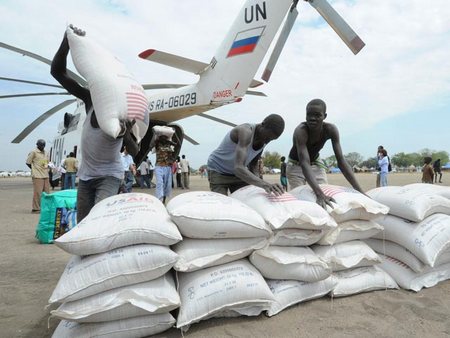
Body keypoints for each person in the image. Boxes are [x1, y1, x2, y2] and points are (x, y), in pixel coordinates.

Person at [51, 25, 138, 222]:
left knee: (99, 220)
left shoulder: (121, 114)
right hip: (86, 177)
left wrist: (125, 133)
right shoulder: (91, 100)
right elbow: (57, 72)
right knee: (83, 222)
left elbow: (135, 151)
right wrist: (66, 42)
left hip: (109, 176)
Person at [286, 99, 364, 208]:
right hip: (296, 166)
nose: (312, 118)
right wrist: (319, 194)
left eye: (317, 115)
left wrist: (360, 191)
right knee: (300, 201)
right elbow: (304, 162)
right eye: (309, 115)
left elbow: (341, 161)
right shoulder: (301, 131)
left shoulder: (330, 130)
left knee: (326, 197)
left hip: (316, 164)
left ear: (325, 116)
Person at [207, 114, 285, 196]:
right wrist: (265, 184)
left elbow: (253, 165)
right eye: (267, 137)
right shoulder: (245, 132)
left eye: (271, 139)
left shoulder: (266, 138)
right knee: (222, 203)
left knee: (248, 200)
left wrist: (261, 186)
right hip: (219, 171)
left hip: (239, 175)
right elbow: (238, 168)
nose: (267, 140)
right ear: (263, 124)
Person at [150, 133, 177, 204]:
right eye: (162, 138)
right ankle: (159, 199)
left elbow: (177, 146)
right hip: (159, 166)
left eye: (165, 138)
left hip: (167, 167)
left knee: (166, 185)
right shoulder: (157, 145)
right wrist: (154, 135)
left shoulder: (169, 146)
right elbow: (150, 145)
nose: (164, 139)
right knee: (159, 183)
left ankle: (163, 201)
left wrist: (172, 160)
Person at [26, 139, 50, 213]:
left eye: (44, 145)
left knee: (47, 192)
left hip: (45, 174)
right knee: (38, 193)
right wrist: (34, 169)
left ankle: (45, 207)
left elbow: (46, 162)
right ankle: (36, 208)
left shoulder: (46, 152)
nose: (43, 146)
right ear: (37, 145)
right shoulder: (33, 152)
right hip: (37, 175)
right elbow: (28, 162)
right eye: (41, 145)